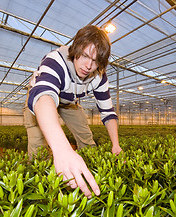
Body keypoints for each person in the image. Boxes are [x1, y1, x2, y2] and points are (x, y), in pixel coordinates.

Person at [23, 25, 122, 198]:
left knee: (86, 137)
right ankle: (44, 195)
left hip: (69, 101)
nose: (89, 65)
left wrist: (116, 145)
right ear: (75, 49)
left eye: (96, 60)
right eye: (85, 55)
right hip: (41, 99)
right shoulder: (56, 61)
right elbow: (44, 96)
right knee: (37, 147)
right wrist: (62, 149)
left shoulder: (98, 76)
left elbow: (108, 111)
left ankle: (88, 181)